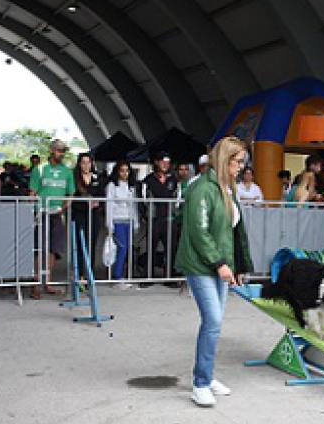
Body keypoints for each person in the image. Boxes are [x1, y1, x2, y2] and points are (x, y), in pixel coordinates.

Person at [176, 136, 253, 408]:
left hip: (219, 264)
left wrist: (236, 265)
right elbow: (199, 232)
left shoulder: (226, 188)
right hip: (201, 265)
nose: (241, 167)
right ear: (225, 159)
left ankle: (206, 378)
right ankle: (200, 383)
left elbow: (233, 232)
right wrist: (220, 264)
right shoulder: (201, 188)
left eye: (243, 162)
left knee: (214, 324)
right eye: (238, 161)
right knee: (213, 321)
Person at [29, 139, 75, 299]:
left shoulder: (67, 171)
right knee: (39, 248)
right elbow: (32, 193)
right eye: (58, 150)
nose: (61, 154)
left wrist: (63, 207)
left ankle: (47, 282)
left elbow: (71, 194)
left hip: (57, 214)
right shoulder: (40, 169)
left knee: (53, 249)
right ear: (51, 150)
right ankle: (36, 283)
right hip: (41, 213)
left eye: (63, 151)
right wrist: (33, 211)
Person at [140, 150, 180, 282]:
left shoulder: (173, 180)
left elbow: (177, 199)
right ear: (156, 162)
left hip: (170, 219)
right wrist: (145, 216)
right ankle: (148, 277)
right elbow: (142, 200)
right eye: (163, 161)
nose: (165, 164)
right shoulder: (148, 180)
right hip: (154, 219)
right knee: (151, 247)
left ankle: (169, 277)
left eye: (168, 162)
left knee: (171, 249)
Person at [105, 160, 137, 289]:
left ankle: (122, 275)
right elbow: (109, 204)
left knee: (127, 248)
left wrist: (135, 221)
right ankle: (117, 276)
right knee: (122, 248)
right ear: (117, 172)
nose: (125, 173)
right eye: (122, 171)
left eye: (127, 171)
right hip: (117, 220)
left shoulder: (131, 186)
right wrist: (109, 223)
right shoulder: (112, 185)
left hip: (128, 220)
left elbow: (134, 205)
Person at [71, 153, 103, 281]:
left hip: (94, 214)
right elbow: (72, 196)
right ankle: (79, 274)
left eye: (88, 162)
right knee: (80, 244)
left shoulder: (97, 178)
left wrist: (98, 202)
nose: (86, 165)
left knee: (92, 244)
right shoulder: (75, 178)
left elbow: (102, 194)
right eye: (83, 162)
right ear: (79, 164)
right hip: (79, 214)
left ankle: (90, 272)